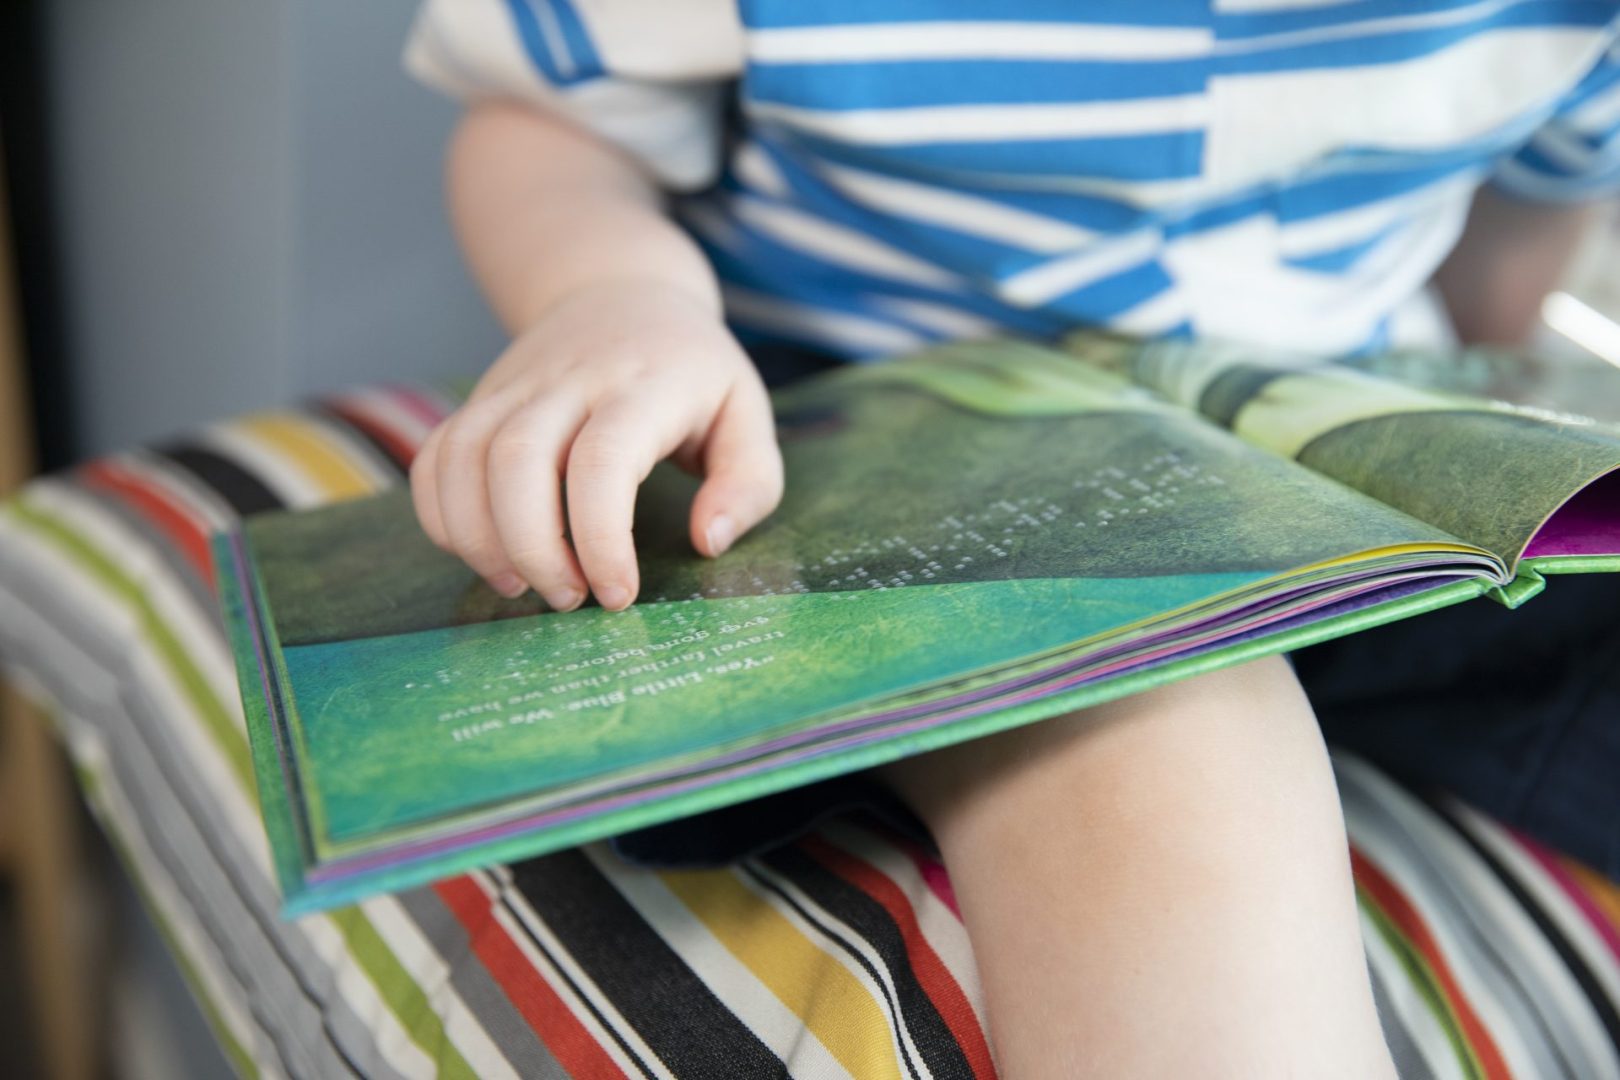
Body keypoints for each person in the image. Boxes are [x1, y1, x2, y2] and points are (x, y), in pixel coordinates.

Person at [402, 3, 1620, 1074]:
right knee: (1162, 731)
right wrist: (617, 299)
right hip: (869, 446)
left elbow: (1523, 221)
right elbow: (553, 124)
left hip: (1318, 446)